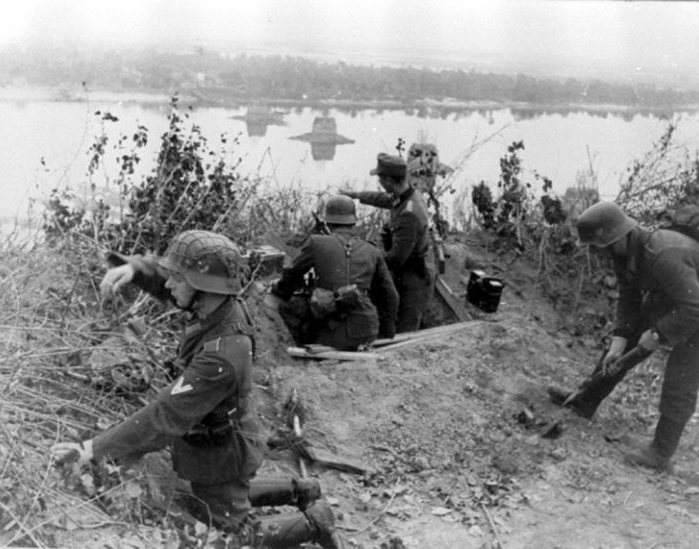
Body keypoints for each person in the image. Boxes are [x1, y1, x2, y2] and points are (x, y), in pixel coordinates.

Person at [50, 230, 346, 548]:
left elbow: (164, 416)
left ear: (204, 288)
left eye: (178, 278)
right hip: (219, 440)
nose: (169, 283)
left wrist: (92, 450)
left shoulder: (223, 355)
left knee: (232, 536)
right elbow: (175, 284)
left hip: (222, 452)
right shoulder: (218, 305)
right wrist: (136, 268)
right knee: (210, 499)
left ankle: (313, 523)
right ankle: (301, 490)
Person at [548, 202, 699, 472]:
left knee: (681, 378)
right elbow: (628, 299)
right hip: (679, 299)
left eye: (598, 247)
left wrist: (657, 333)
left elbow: (698, 309)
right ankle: (584, 401)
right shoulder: (624, 253)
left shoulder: (663, 253)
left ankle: (660, 453)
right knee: (623, 345)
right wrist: (619, 339)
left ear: (615, 237)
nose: (597, 254)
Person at [267, 194, 399, 351]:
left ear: (328, 222)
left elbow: (292, 272)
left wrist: (280, 292)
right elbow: (391, 296)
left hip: (333, 333)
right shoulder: (373, 251)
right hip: (367, 330)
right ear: (353, 222)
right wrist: (386, 332)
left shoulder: (317, 242)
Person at [341, 153, 435, 332]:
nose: (379, 182)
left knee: (406, 332)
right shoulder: (409, 195)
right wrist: (355, 195)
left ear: (389, 181)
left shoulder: (409, 214)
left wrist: (366, 254)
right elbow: (384, 199)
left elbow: (395, 258)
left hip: (414, 278)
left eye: (380, 178)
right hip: (409, 270)